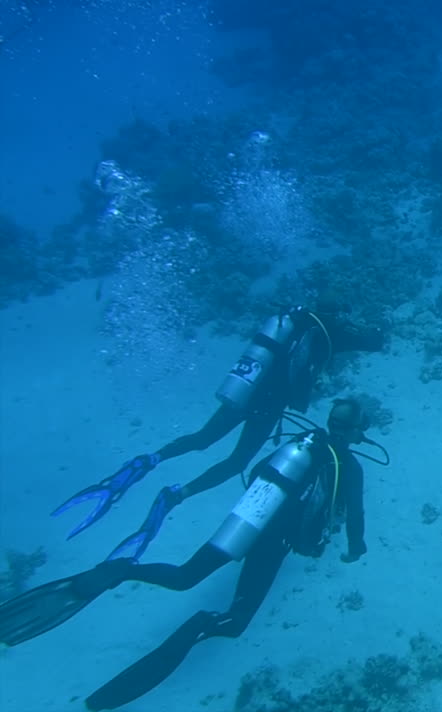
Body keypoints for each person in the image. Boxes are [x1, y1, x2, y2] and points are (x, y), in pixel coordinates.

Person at [0, 399, 384, 711]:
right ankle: (197, 626)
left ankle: (121, 570)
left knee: (184, 577)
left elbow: (254, 476)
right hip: (273, 544)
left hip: (244, 524)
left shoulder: (298, 443)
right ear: (355, 431)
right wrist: (357, 549)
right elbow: (356, 516)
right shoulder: (348, 466)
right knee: (234, 621)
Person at [52, 303, 385, 561]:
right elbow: (371, 341)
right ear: (335, 315)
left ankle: (149, 460)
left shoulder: (288, 322)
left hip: (244, 394)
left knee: (202, 438)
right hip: (266, 408)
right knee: (235, 463)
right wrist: (377, 331)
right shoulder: (329, 333)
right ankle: (178, 494)